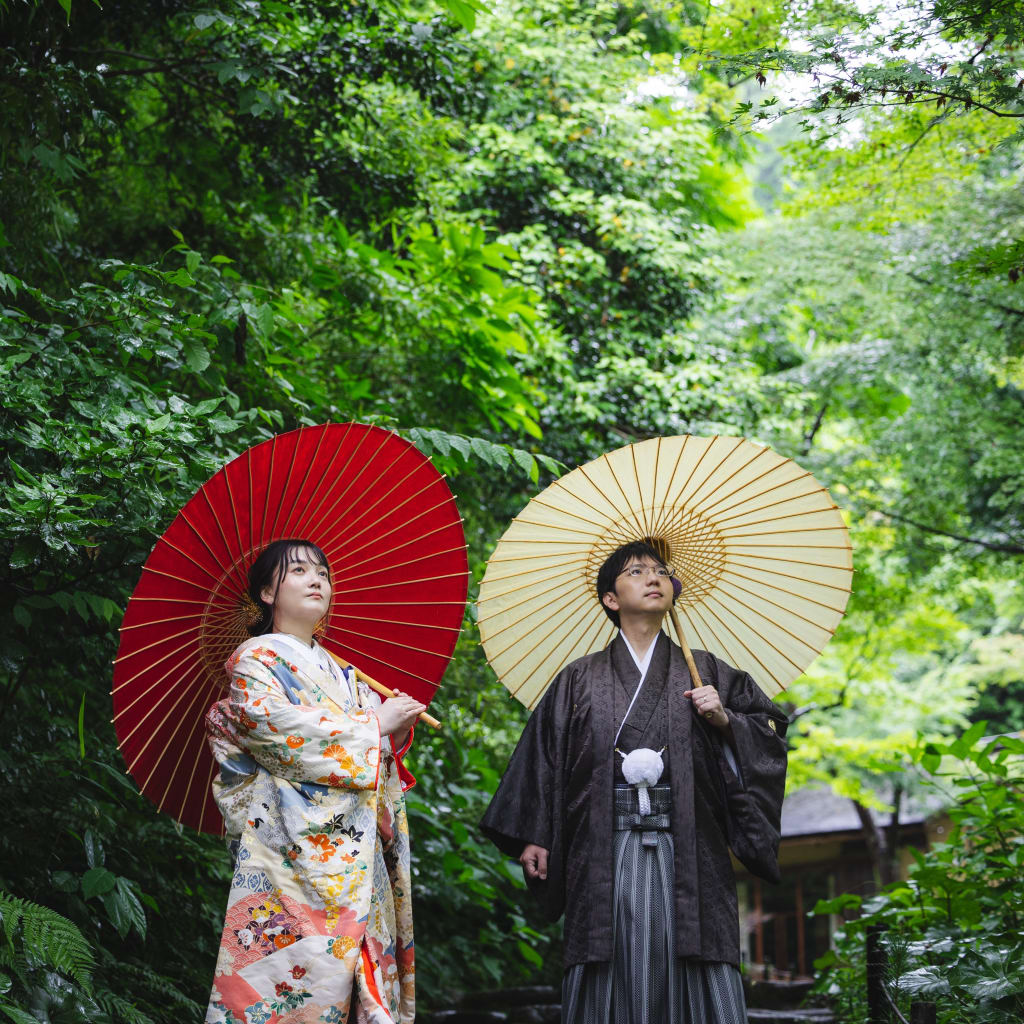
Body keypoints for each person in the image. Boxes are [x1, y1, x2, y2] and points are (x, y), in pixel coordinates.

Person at [480, 539, 789, 1024]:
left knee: (697, 948)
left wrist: (726, 718)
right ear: (609, 598)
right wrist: (535, 835)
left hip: (690, 845)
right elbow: (543, 757)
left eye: (661, 572)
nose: (654, 578)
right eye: (638, 571)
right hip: (603, 845)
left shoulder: (704, 671)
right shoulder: (578, 679)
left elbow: (769, 734)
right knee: (611, 955)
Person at [204, 538, 425, 1024]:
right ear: (266, 592)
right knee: (289, 988)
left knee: (357, 986)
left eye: (322, 573)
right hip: (290, 853)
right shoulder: (255, 659)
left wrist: (390, 729)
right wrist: (372, 727)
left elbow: (370, 757)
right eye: (299, 571)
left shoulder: (342, 672)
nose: (316, 580)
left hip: (356, 853)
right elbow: (269, 728)